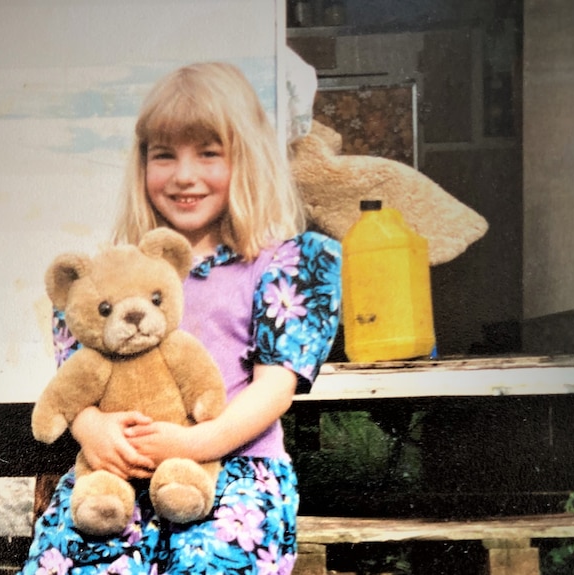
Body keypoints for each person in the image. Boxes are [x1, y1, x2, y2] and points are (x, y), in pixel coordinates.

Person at [18, 61, 341, 575]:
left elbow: (273, 389)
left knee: (209, 560)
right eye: (164, 156)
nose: (184, 175)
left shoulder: (279, 262)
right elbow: (76, 371)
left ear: (246, 160)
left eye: (208, 154)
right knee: (79, 559)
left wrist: (191, 443)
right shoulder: (112, 271)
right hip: (117, 471)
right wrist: (92, 428)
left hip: (233, 467)